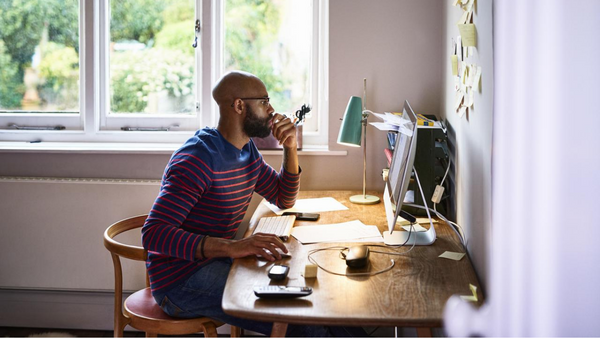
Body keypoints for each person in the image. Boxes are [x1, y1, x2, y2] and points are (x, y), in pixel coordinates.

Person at [142, 71, 363, 337]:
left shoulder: (246, 151)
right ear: (238, 106)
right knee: (303, 321)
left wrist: (290, 147)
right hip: (180, 281)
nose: (272, 110)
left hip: (218, 262)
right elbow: (153, 234)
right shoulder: (198, 159)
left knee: (323, 302)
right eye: (264, 101)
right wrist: (233, 247)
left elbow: (283, 198)